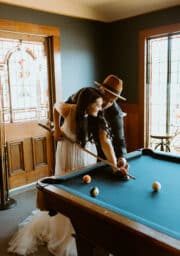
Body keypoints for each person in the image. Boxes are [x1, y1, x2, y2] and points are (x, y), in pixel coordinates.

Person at [8, 89, 126, 256]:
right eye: (98, 105)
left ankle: (85, 229)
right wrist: (57, 129)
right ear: (88, 103)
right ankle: (67, 231)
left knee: (83, 191)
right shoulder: (69, 109)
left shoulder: (97, 118)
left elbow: (105, 143)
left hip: (86, 154)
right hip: (67, 152)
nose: (101, 108)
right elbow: (56, 106)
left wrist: (115, 166)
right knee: (68, 192)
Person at [57, 74, 128, 170]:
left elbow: (115, 140)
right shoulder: (83, 96)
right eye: (106, 98)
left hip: (98, 152)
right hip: (70, 147)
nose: (106, 103)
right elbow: (61, 112)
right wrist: (58, 129)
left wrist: (120, 159)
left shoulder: (115, 113)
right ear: (100, 90)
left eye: (111, 101)